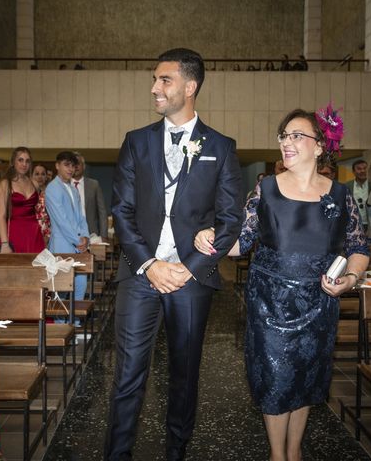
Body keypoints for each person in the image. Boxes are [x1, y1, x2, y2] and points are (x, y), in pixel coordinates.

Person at [195, 107, 369, 461]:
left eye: (295, 136)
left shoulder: (340, 195)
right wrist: (209, 237)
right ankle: (278, 454)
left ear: (319, 146)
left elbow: (359, 249)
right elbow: (242, 242)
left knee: (304, 380)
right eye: (283, 136)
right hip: (270, 303)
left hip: (319, 303)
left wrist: (350, 279)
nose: (286, 143)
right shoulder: (267, 188)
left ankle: (295, 449)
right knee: (275, 380)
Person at [105, 48, 243, 460]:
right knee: (127, 374)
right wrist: (149, 265)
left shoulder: (220, 146)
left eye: (164, 80)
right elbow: (122, 211)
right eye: (155, 79)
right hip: (139, 274)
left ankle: (176, 453)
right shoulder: (136, 142)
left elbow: (231, 218)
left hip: (190, 279)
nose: (155, 88)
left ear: (190, 85)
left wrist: (188, 267)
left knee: (184, 376)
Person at [44, 151, 89, 300]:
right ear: (57, 166)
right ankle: (59, 322)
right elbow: (61, 221)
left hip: (78, 245)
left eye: (73, 166)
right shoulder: (52, 188)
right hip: (62, 244)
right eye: (66, 165)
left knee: (81, 283)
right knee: (61, 288)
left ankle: (75, 321)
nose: (70, 169)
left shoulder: (73, 189)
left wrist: (86, 237)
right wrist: (78, 241)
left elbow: (81, 217)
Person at [0, 147, 45, 253]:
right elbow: (1, 216)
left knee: (38, 268)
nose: (24, 164)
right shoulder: (5, 184)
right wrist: (4, 243)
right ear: (13, 162)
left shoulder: (34, 183)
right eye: (20, 160)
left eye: (27, 161)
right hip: (14, 233)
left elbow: (41, 212)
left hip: (34, 234)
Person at [72, 152, 108, 237]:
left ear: (84, 166)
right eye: (73, 164)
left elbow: (102, 212)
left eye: (78, 163)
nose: (76, 166)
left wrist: (103, 235)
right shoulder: (64, 186)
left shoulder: (94, 185)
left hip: (91, 234)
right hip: (69, 235)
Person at [345, 159, 371, 232]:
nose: (362, 171)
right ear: (354, 172)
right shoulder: (347, 186)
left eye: (365, 168)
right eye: (359, 169)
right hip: (353, 224)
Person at [31, 164, 51, 243]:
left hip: (47, 235)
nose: (40, 177)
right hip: (30, 233)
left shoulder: (50, 194)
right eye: (37, 174)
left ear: (46, 177)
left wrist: (48, 235)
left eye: (43, 174)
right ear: (31, 176)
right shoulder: (26, 194)